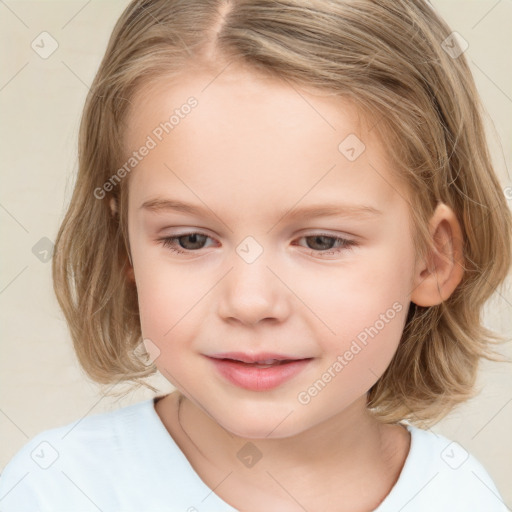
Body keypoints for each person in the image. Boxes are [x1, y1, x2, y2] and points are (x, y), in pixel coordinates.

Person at [0, 0, 510, 510]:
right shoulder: (59, 489)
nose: (249, 301)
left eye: (321, 241)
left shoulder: (457, 493)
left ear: (432, 259)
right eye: (190, 239)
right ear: (122, 247)